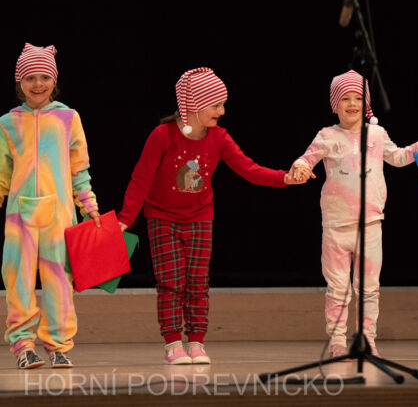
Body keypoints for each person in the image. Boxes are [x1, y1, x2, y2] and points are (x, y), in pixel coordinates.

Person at [117, 67, 302, 365]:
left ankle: (196, 342)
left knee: (197, 283)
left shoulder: (219, 138)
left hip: (200, 217)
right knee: (170, 282)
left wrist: (283, 178)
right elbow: (140, 179)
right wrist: (126, 218)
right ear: (194, 104)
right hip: (162, 218)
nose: (222, 111)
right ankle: (173, 344)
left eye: (222, 104)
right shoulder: (162, 135)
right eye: (216, 105)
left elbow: (248, 168)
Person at [287, 71, 418, 358]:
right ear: (335, 104)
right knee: (338, 287)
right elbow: (307, 158)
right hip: (337, 225)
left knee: (369, 288)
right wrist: (300, 166)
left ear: (366, 102)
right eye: (345, 98)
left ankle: (367, 339)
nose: (352, 104)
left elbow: (398, 157)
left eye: (358, 98)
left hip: (370, 224)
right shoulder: (327, 136)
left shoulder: (376, 134)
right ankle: (337, 341)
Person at [0, 44, 100, 370]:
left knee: (59, 279)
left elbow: (79, 167)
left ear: (54, 81)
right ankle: (23, 346)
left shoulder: (68, 118)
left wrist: (88, 203)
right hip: (20, 216)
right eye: (30, 77)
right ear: (20, 82)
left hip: (58, 214)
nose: (38, 84)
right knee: (17, 278)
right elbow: (2, 173)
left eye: (44, 77)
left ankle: (58, 345)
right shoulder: (7, 123)